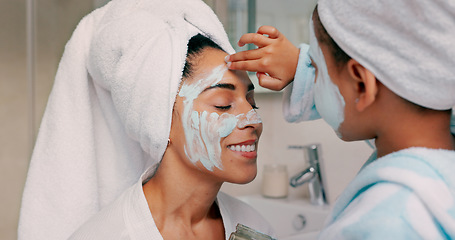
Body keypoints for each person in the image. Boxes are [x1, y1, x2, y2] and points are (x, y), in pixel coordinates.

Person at [18, 0, 273, 239]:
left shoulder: (253, 225)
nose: (252, 119)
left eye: (252, 102)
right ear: (160, 121)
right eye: (223, 104)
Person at [226, 0, 455, 239]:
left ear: (361, 82)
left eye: (314, 68)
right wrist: (298, 67)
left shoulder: (390, 224)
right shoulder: (435, 160)